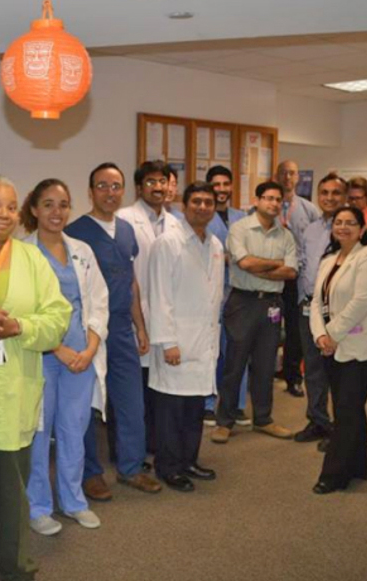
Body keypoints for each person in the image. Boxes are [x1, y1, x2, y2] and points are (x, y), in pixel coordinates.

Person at [0, 174, 71, 580]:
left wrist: (18, 327)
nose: (3, 214)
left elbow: (58, 317)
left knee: (11, 486)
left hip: (12, 386)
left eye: (10, 206)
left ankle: (17, 567)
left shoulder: (30, 258)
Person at [66, 162, 162, 501]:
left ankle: (131, 468)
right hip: (88, 330)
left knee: (131, 402)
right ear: (90, 192)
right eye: (103, 186)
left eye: (116, 186)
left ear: (125, 191)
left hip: (121, 328)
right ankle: (91, 473)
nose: (110, 192)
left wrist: (141, 327)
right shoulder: (75, 232)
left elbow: (132, 282)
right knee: (89, 406)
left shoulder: (125, 231)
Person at [21, 179, 109, 535]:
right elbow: (23, 310)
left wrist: (88, 348)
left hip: (81, 358)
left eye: (63, 205)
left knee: (74, 431)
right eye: (48, 205)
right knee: (39, 433)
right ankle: (39, 507)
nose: (56, 213)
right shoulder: (23, 253)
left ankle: (74, 502)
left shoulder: (82, 251)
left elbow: (98, 301)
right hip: (42, 355)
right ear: (34, 209)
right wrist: (58, 348)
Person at [309, 206, 367, 494]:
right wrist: (320, 334)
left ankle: (333, 476)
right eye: (338, 222)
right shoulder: (329, 260)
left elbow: (361, 302)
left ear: (361, 229)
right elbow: (317, 302)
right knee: (350, 407)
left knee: (345, 410)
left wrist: (330, 334)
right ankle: (360, 465)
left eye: (350, 223)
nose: (343, 227)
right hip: (334, 347)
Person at [148, 182, 224, 492]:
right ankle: (168, 467)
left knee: (195, 409)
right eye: (197, 201)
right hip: (176, 342)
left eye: (209, 202)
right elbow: (159, 295)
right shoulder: (168, 243)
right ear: (184, 205)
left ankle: (189, 460)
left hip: (203, 341)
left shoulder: (216, 244)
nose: (203, 207)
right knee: (171, 411)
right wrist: (168, 342)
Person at [212, 181, 297, 444]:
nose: (273, 203)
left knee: (265, 364)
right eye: (268, 198)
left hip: (272, 304)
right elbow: (244, 263)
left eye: (277, 200)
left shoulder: (286, 235)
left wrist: (260, 266)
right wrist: (275, 264)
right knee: (234, 363)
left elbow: (291, 272)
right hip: (243, 302)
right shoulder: (240, 228)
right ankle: (224, 421)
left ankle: (264, 419)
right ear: (257, 200)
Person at [117, 160, 180, 454]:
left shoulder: (176, 223)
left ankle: (153, 446)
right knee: (134, 391)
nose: (158, 187)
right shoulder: (124, 219)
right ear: (140, 187)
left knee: (159, 389)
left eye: (163, 181)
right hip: (134, 314)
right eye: (151, 182)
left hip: (165, 315)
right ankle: (130, 451)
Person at [294, 173, 347, 448]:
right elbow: (304, 265)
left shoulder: (353, 228)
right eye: (324, 192)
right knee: (313, 368)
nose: (329, 198)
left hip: (338, 312)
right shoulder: (311, 229)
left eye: (335, 193)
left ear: (344, 196)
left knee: (338, 369)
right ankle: (318, 421)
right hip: (309, 307)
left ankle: (341, 428)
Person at [204, 165, 250, 427]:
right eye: (216, 184)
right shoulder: (202, 216)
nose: (221, 190)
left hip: (239, 293)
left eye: (225, 184)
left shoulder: (241, 217)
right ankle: (208, 403)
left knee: (238, 350)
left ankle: (236, 404)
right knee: (212, 351)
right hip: (212, 294)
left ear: (232, 187)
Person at [276, 160, 321, 398]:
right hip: (272, 275)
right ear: (277, 175)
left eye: (292, 173)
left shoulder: (308, 209)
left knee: (295, 329)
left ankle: (293, 376)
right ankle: (270, 370)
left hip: (297, 278)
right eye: (283, 172)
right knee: (269, 328)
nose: (287, 177)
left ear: (298, 178)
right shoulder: (267, 205)